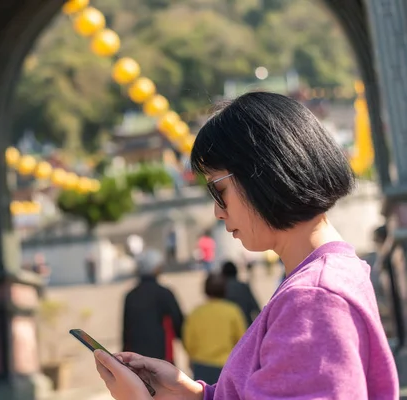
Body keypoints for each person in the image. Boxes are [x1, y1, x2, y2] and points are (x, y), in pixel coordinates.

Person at [93, 92, 398, 399]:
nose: (217, 210)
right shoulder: (328, 277)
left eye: (218, 189)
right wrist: (194, 394)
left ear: (265, 173)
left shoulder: (313, 298)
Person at [122, 248, 184, 364]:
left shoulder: (130, 296)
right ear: (157, 268)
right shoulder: (165, 293)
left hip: (135, 359)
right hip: (162, 357)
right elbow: (178, 324)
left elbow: (126, 331)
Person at [183, 274, 246, 384]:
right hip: (226, 365)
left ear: (205, 290)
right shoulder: (233, 311)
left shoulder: (196, 313)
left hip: (201, 364)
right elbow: (242, 340)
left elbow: (188, 341)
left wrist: (191, 358)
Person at [221, 261, 261, 327]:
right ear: (236, 272)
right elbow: (255, 307)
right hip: (245, 324)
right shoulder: (244, 287)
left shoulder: (220, 289)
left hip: (227, 326)